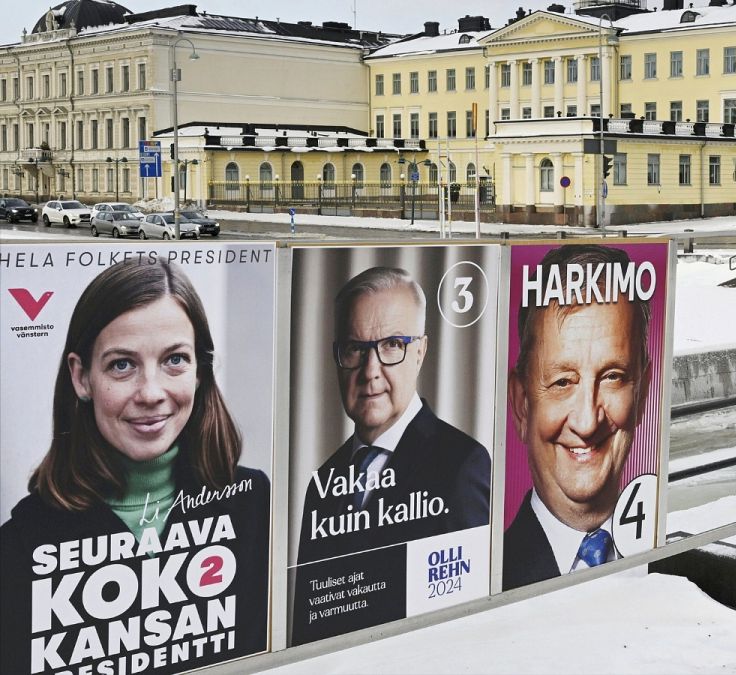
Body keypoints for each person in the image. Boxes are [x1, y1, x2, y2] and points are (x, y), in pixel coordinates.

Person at [0, 259, 269, 675]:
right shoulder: (20, 547)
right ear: (81, 377)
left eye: (174, 359)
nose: (151, 393)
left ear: (200, 370)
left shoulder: (257, 507)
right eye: (122, 364)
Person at [294, 267, 490, 566]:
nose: (370, 371)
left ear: (420, 352)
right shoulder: (323, 481)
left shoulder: (462, 465)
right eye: (355, 348)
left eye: (392, 345)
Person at [503, 245, 653, 591]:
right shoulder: (493, 577)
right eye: (562, 382)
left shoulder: (659, 560)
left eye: (613, 376)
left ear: (642, 391)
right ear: (521, 403)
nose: (587, 423)